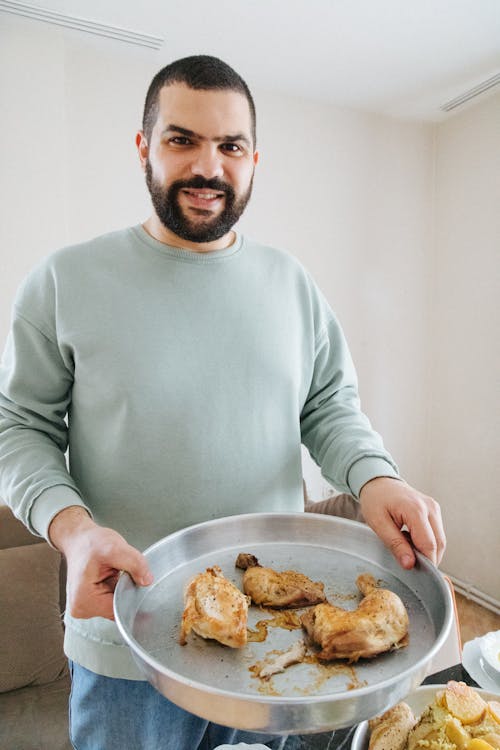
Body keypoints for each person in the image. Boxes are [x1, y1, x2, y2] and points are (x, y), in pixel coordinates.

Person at [0, 55, 445, 750]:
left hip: (277, 646)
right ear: (144, 147)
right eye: (182, 140)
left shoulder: (290, 283)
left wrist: (374, 475)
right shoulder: (64, 280)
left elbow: (328, 404)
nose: (208, 166)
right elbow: (17, 428)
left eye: (230, 146)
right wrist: (73, 531)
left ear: (254, 158)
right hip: (126, 647)